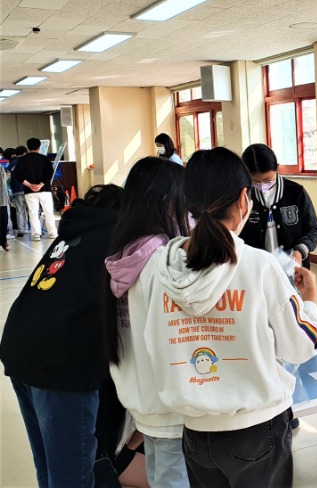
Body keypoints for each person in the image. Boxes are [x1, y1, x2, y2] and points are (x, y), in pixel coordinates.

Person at [140, 147, 317, 487]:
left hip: (195, 432)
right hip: (257, 430)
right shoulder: (259, 266)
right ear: (244, 198)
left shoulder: (159, 266)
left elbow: (151, 343)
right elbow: (301, 346)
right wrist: (309, 302)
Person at [0, 184, 124, 488]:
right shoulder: (115, 241)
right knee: (73, 475)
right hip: (61, 363)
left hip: (20, 347)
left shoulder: (74, 233)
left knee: (48, 464)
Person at [105, 158, 190, 488]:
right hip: (170, 399)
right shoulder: (164, 261)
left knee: (162, 474)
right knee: (172, 478)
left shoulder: (123, 253)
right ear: (169, 202)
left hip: (140, 398)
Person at [239, 143, 317, 267]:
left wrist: (299, 251)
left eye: (267, 180)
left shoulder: (295, 192)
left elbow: (313, 229)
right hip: (257, 269)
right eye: (255, 181)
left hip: (292, 268)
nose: (262, 186)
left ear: (277, 168)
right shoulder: (245, 196)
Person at [12, 137, 57, 241]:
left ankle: (36, 234)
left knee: (33, 212)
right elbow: (49, 173)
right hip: (45, 190)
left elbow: (18, 175)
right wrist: (40, 185)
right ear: (39, 147)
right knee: (48, 211)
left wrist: (30, 185)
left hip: (29, 191)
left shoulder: (22, 160)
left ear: (28, 147)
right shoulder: (44, 159)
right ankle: (52, 233)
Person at [6, 148, 29, 237]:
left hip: (16, 190)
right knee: (31, 210)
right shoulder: (26, 162)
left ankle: (20, 230)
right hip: (28, 189)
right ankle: (33, 230)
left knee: (19, 210)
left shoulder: (11, 164)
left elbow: (8, 178)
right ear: (24, 153)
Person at [1, 163, 10, 251]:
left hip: (1, 200)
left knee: (3, 222)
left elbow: (3, 183)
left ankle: (3, 241)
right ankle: (3, 242)